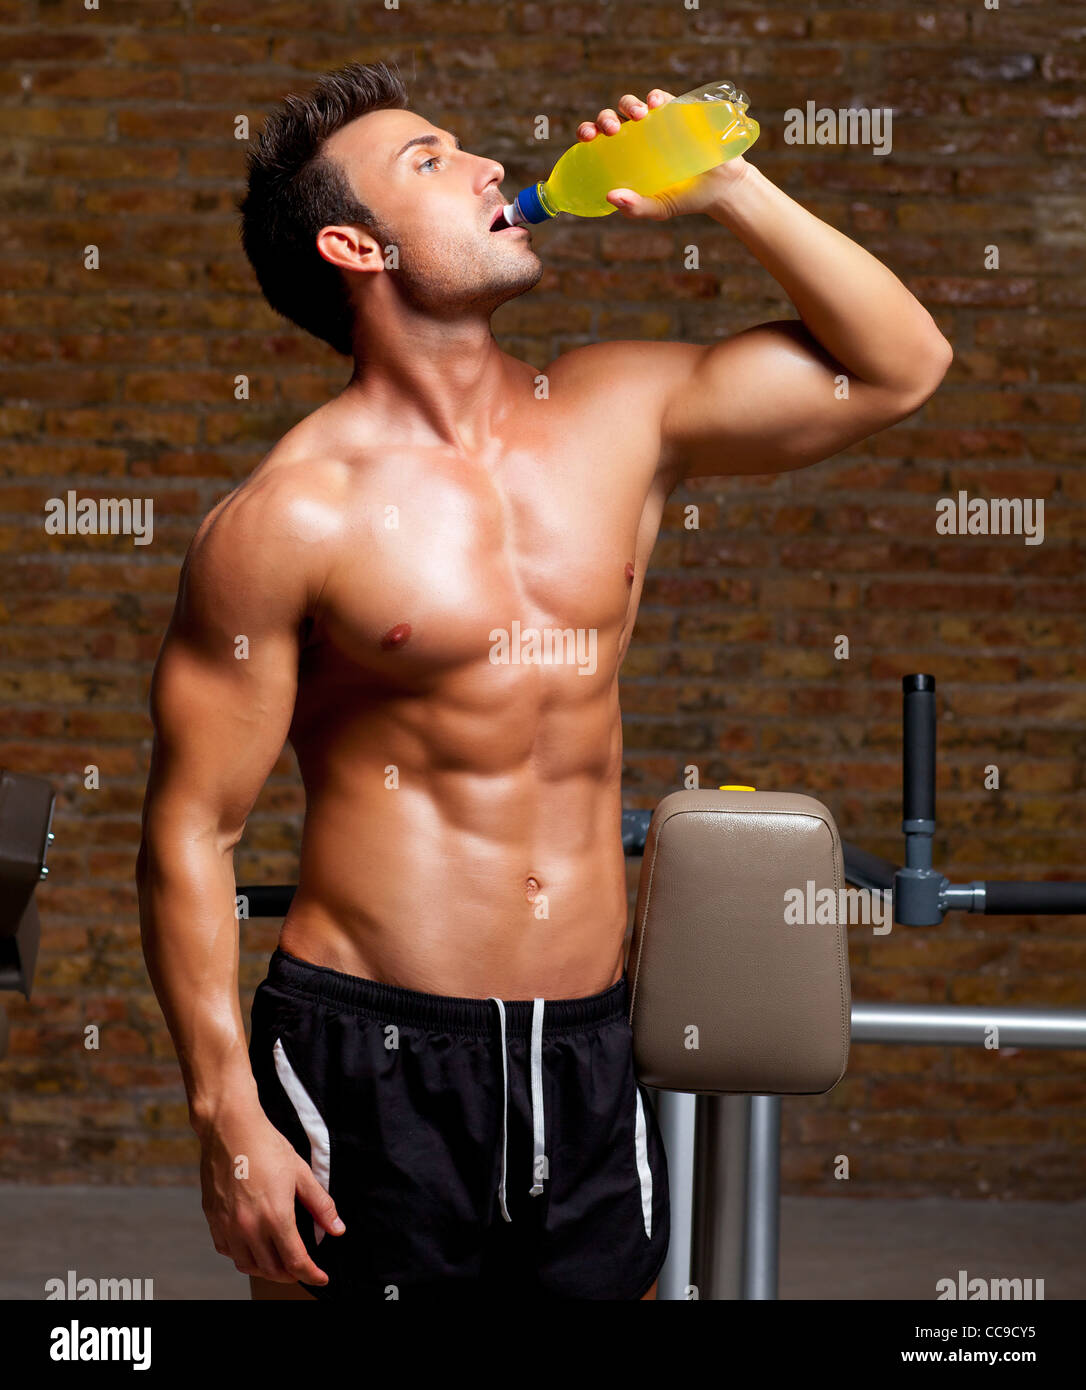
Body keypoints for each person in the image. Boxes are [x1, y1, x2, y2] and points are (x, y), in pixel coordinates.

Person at [136, 61, 952, 1302]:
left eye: (466, 146)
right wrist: (224, 1113)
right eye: (430, 162)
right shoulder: (289, 516)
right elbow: (194, 828)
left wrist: (732, 187)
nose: (484, 168)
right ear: (355, 245)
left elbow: (901, 364)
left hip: (584, 1041)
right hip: (375, 1048)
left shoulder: (621, 409)